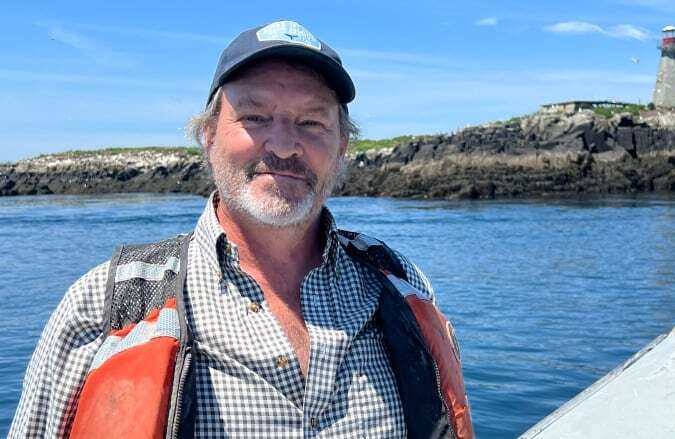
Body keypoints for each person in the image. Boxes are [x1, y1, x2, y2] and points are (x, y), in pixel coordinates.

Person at [10, 20, 471, 438]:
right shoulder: (102, 306)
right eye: (254, 117)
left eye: (311, 122)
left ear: (342, 145)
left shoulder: (401, 284)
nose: (285, 145)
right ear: (208, 135)